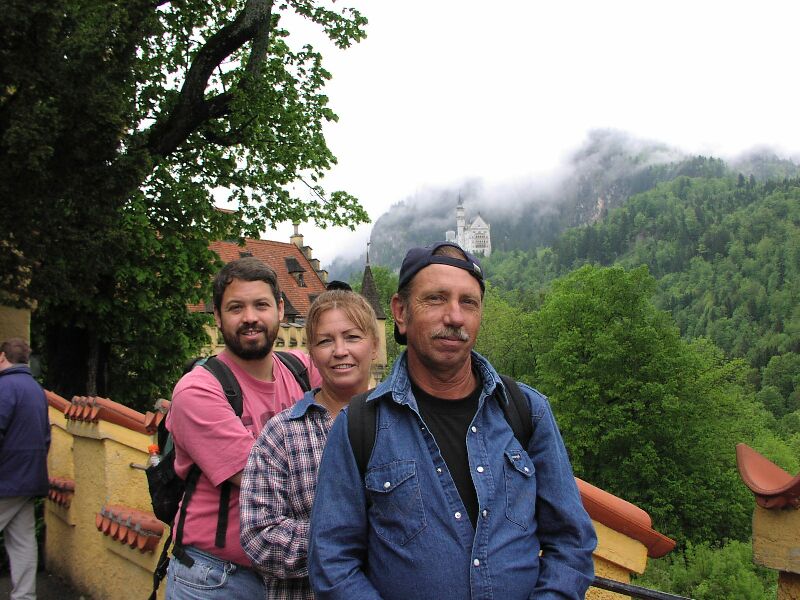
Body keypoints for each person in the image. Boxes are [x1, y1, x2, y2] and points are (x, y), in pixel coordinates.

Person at [309, 242, 597, 600]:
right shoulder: (360, 424)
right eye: (436, 299)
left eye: (469, 303)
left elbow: (571, 543)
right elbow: (332, 562)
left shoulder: (526, 411)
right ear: (400, 312)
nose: (455, 317)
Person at [165, 257, 322, 599]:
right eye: (236, 307)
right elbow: (261, 480)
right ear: (218, 316)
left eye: (261, 305)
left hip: (292, 575)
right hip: (217, 578)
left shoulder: (303, 370)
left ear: (280, 310)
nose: (250, 317)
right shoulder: (198, 391)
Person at [240, 289, 379, 599]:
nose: (340, 351)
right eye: (325, 341)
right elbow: (259, 537)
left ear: (374, 345)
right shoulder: (282, 434)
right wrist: (353, 537)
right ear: (312, 354)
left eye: (352, 337)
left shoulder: (404, 424)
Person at [0, 338, 50, 600]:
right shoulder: (35, 389)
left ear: (2, 357)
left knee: (21, 541)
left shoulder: (4, 387)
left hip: (6, 478)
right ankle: (24, 596)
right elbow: (46, 436)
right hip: (30, 477)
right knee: (22, 542)